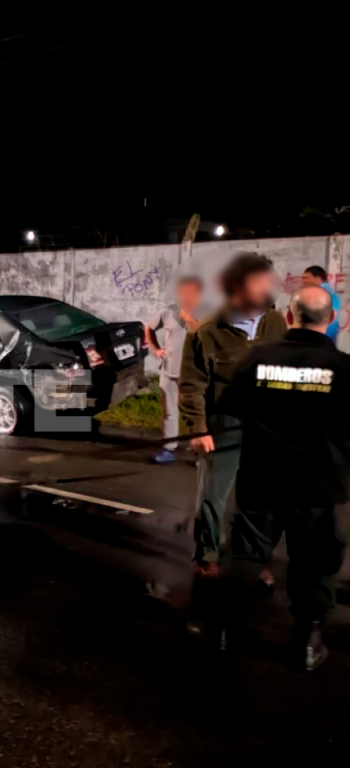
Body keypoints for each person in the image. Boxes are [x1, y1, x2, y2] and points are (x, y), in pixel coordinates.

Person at [215, 285, 349, 670]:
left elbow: (231, 407)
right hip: (320, 486)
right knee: (315, 563)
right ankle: (308, 644)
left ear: (290, 317)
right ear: (331, 320)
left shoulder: (257, 358)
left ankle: (220, 628)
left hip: (263, 478)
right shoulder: (343, 368)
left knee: (245, 553)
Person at [180, 252, 287, 575]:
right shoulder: (207, 332)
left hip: (266, 424)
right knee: (214, 494)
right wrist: (197, 429)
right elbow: (192, 386)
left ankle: (254, 556)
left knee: (261, 497)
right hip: (223, 422)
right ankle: (208, 553)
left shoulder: (277, 322)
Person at [145, 275, 203, 463]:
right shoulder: (168, 311)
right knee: (169, 412)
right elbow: (148, 328)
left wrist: (190, 320)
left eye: (190, 292)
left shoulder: (207, 314)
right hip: (169, 370)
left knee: (196, 415)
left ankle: (200, 453)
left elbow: (207, 339)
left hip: (194, 374)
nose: (186, 296)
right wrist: (156, 349)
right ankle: (168, 449)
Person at [300, 265, 341, 341]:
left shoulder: (319, 294)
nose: (303, 281)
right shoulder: (331, 293)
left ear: (318, 279)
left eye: (306, 278)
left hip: (317, 339)